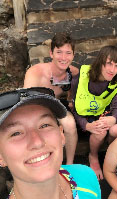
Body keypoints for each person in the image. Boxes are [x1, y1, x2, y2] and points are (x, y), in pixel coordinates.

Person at [0, 88, 115, 199]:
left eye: (44, 125)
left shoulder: (84, 176)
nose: (37, 141)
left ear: (61, 135)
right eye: (16, 133)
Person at [69, 45, 117, 179]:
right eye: (109, 64)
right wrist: (86, 125)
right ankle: (93, 156)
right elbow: (72, 106)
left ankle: (110, 155)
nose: (113, 70)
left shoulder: (116, 81)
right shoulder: (81, 77)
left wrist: (113, 119)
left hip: (101, 114)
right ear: (100, 63)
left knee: (115, 129)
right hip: (83, 116)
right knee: (100, 132)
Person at [22, 32, 79, 163]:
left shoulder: (73, 72)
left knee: (69, 124)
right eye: (59, 52)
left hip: (54, 104)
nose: (63, 57)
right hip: (34, 108)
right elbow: (26, 100)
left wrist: (70, 99)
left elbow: (74, 88)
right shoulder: (36, 72)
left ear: (73, 55)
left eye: (68, 53)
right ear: (51, 54)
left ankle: (70, 164)